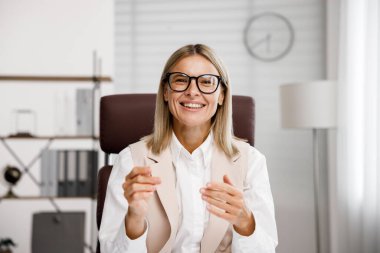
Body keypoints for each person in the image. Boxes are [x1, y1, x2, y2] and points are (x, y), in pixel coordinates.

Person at [99, 44, 278, 252]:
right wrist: (134, 220)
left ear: (221, 95)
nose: (192, 92)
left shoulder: (251, 162)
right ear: (166, 92)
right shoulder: (131, 161)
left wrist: (245, 222)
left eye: (206, 82)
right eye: (181, 80)